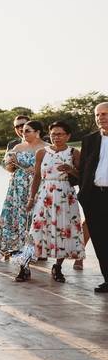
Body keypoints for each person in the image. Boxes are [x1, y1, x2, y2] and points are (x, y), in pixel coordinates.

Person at [16, 121, 85, 282]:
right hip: (45, 195)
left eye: (60, 134)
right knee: (36, 231)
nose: (56, 137)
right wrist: (31, 198)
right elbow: (37, 177)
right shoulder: (42, 152)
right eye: (53, 134)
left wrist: (71, 170)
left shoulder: (74, 152)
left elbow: (83, 176)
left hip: (65, 196)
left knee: (63, 230)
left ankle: (58, 267)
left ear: (68, 136)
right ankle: (24, 267)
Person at [0, 120, 46, 261]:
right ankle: (5, 247)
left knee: (34, 216)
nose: (23, 133)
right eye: (22, 131)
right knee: (14, 215)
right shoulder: (18, 147)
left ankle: (32, 250)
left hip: (38, 186)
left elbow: (51, 168)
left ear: (38, 132)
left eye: (27, 130)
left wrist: (37, 170)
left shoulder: (47, 147)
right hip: (17, 186)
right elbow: (9, 168)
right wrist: (10, 163)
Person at [77, 102, 108, 293]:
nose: (100, 117)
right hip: (95, 197)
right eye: (98, 115)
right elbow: (83, 171)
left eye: (105, 114)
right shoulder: (89, 140)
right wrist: (83, 194)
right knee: (100, 240)